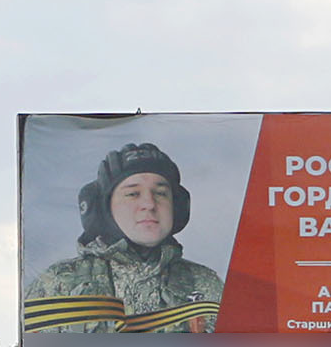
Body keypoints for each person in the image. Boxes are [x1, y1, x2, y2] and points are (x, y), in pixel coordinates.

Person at [23, 142, 223, 333]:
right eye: (133, 194)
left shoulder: (204, 285)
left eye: (161, 193)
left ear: (178, 206)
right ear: (104, 208)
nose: (149, 204)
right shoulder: (59, 284)